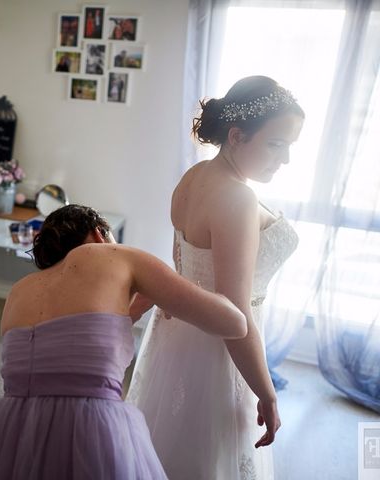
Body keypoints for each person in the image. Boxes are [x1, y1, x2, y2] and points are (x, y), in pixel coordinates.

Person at [0, 204, 248, 479]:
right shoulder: (116, 255)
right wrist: (194, 289)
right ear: (99, 234)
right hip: (90, 427)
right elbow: (234, 323)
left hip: (12, 433)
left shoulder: (19, 291)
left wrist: (136, 307)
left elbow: (73, 347)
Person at [126, 76, 304, 479]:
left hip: (177, 340)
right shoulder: (237, 197)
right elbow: (234, 313)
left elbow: (181, 267)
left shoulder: (193, 177)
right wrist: (266, 393)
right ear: (238, 135)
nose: (286, 160)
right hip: (219, 352)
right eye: (276, 144)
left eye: (290, 147)